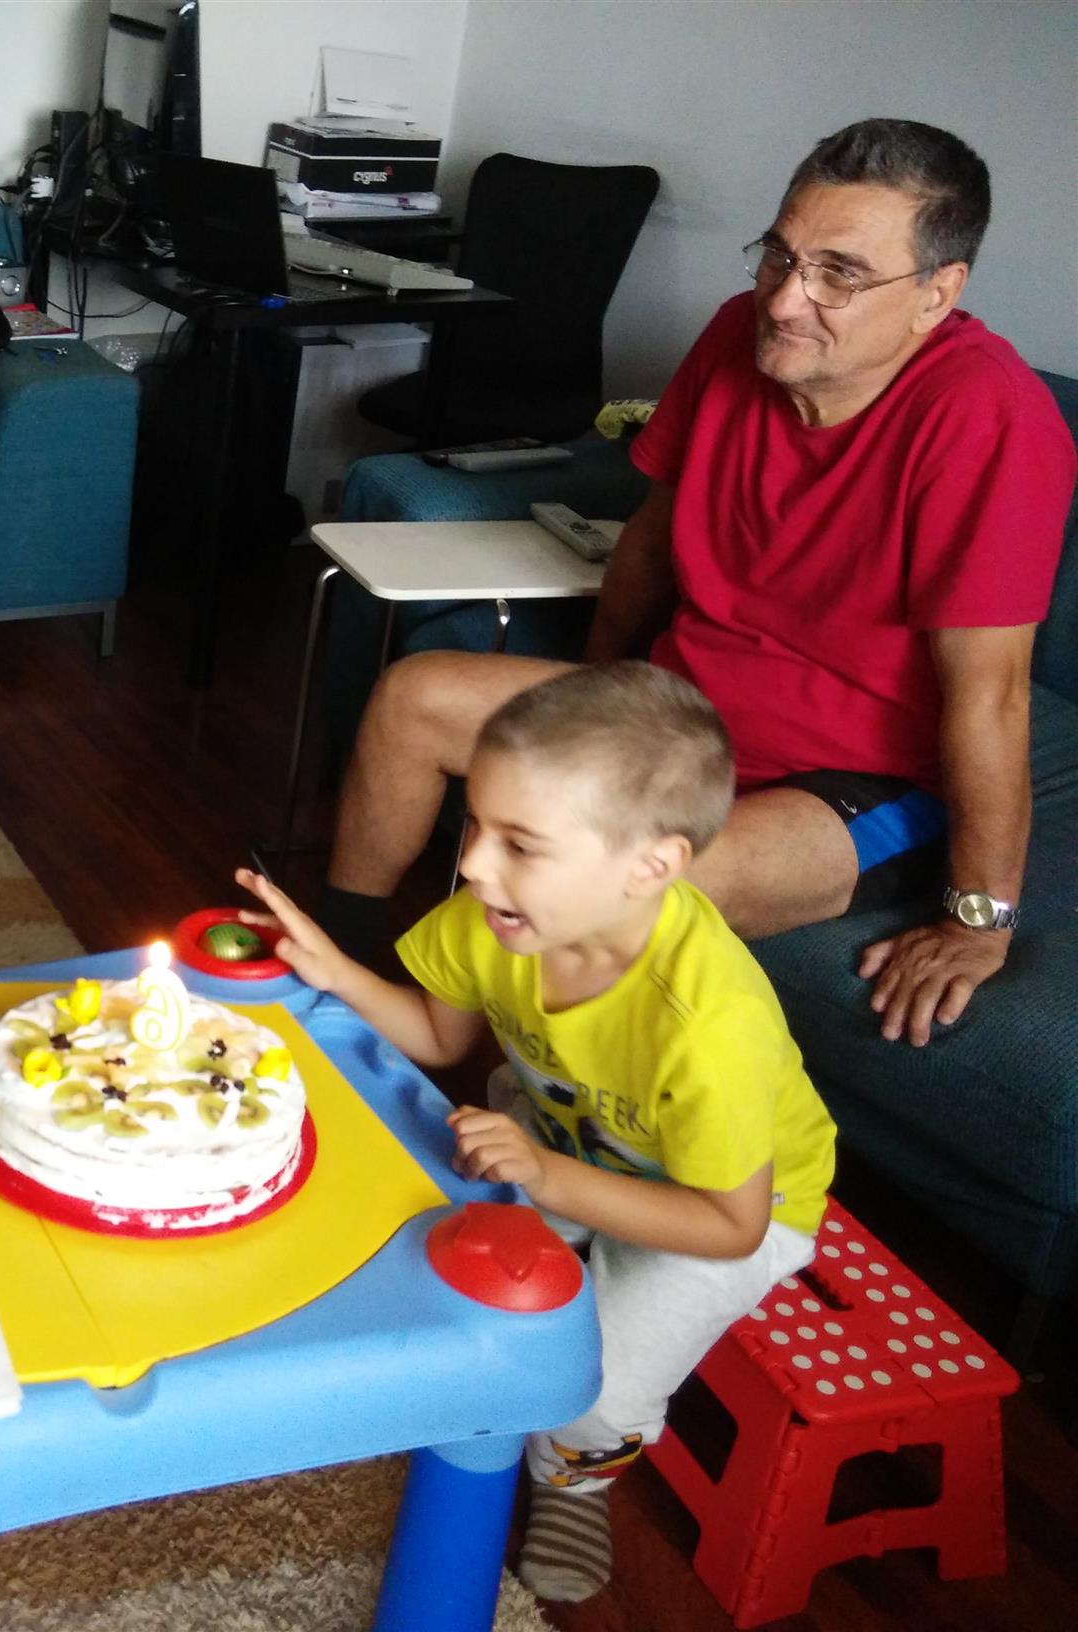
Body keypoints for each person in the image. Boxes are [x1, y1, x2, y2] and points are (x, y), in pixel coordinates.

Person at [317, 118, 1075, 1046]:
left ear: (936, 293)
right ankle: (325, 980)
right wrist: (598, 687)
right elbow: (650, 537)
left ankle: (451, 1044)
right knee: (415, 698)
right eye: (780, 255)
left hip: (857, 781)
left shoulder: (988, 419)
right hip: (683, 718)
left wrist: (978, 920)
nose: (785, 300)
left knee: (615, 882)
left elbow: (992, 696)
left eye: (838, 275)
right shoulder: (733, 334)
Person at [240, 662, 837, 1605]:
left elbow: (731, 1226)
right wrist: (335, 971)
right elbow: (438, 1034)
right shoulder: (497, 916)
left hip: (719, 1210)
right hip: (567, 1137)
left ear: (650, 867)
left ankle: (573, 1485)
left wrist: (548, 1178)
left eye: (520, 844)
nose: (475, 864)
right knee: (424, 1244)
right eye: (476, 825)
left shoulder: (708, 1027)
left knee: (596, 1383)